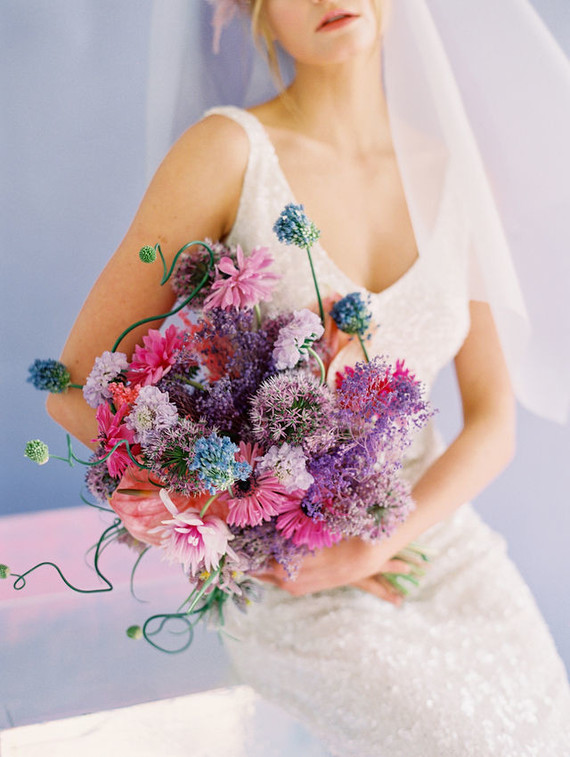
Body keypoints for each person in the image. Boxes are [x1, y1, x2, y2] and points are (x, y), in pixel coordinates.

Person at [46, 0, 570, 753]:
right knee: (460, 737)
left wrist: (379, 543)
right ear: (253, 10)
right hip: (291, 581)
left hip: (432, 542)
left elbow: (493, 422)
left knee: (544, 716)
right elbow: (72, 382)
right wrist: (239, 520)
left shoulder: (455, 168)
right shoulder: (229, 153)